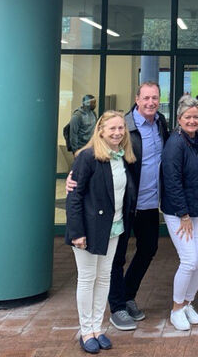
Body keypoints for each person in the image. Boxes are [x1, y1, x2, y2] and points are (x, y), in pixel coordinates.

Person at [66, 81, 170, 331]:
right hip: (123, 206)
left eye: (155, 98)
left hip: (148, 203)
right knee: (116, 258)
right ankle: (118, 307)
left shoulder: (161, 123)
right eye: (146, 98)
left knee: (149, 249)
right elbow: (96, 153)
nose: (150, 103)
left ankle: (127, 294)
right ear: (137, 99)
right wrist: (74, 176)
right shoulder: (123, 126)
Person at [66, 111, 136, 354]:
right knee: (87, 279)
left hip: (114, 228)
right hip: (88, 230)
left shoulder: (122, 157)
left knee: (104, 277)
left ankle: (98, 328)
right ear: (101, 131)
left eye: (121, 128)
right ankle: (86, 331)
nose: (117, 133)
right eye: (112, 129)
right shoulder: (87, 157)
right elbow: (74, 196)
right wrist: (76, 232)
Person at [160, 95, 198, 331]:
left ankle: (189, 303)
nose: (192, 120)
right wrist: (183, 215)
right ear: (179, 119)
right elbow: (172, 182)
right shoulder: (175, 144)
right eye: (187, 117)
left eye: (196, 116)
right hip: (181, 214)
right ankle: (176, 309)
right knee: (189, 260)